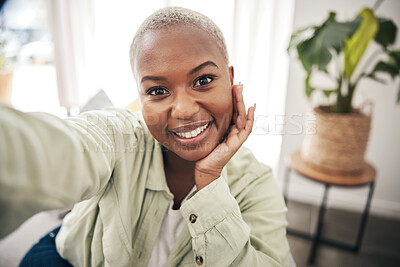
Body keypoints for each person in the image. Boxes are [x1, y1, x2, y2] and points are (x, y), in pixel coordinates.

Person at [0, 6, 290, 267]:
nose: (184, 110)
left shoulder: (256, 184)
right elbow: (60, 150)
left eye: (203, 81)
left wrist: (211, 180)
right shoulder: (122, 135)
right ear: (140, 97)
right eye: (157, 91)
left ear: (230, 80)